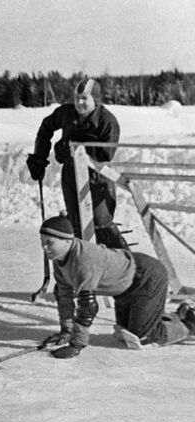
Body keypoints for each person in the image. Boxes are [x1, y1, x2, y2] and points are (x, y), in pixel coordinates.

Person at [38, 213, 194, 359]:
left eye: (49, 243)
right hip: (125, 289)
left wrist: (76, 345)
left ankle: (190, 324)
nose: (44, 248)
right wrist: (66, 331)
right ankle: (181, 314)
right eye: (42, 242)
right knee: (125, 333)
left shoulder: (84, 260)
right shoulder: (60, 258)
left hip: (147, 277)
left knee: (142, 337)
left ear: (67, 240)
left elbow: (88, 307)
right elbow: (64, 295)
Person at [26, 78, 128, 250]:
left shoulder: (107, 122)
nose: (79, 103)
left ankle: (127, 265)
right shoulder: (67, 112)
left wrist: (75, 149)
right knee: (76, 225)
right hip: (71, 176)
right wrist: (39, 157)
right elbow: (46, 127)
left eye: (85, 98)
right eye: (77, 97)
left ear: (95, 99)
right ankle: (83, 268)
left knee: (102, 225)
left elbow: (105, 155)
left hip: (98, 178)